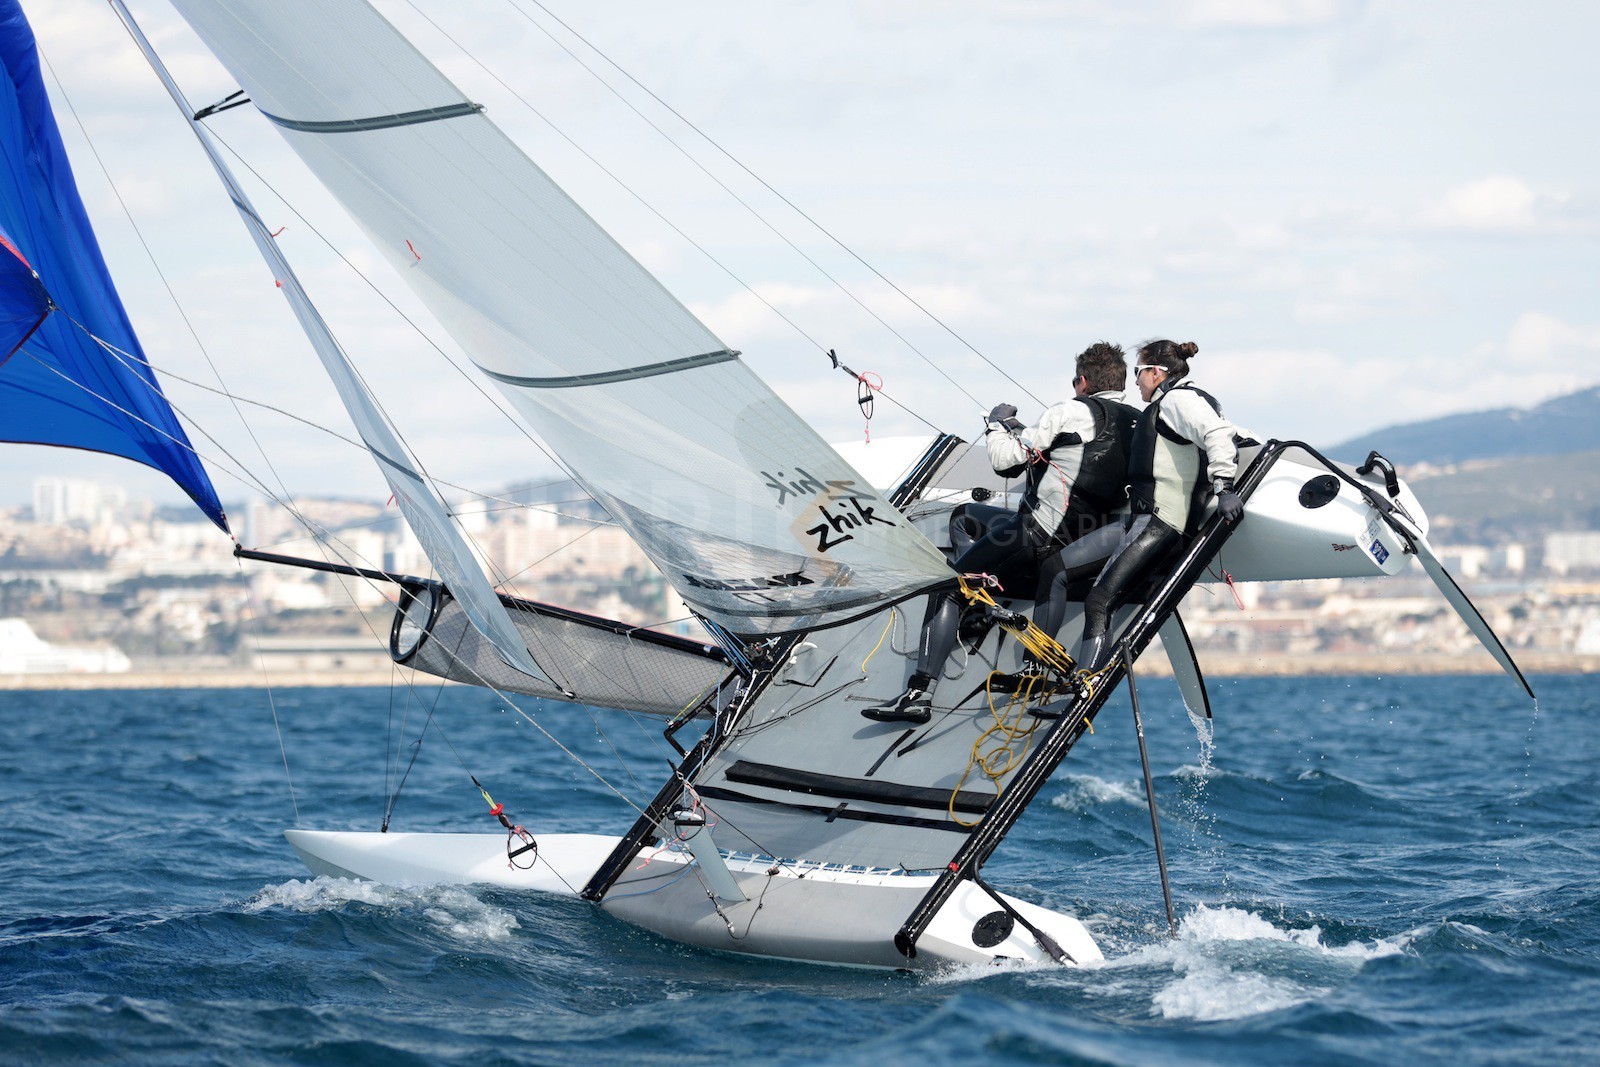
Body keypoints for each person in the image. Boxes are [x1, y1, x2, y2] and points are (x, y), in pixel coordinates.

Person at [862, 342, 1139, 724]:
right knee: (963, 517)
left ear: (1083, 381)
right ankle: (980, 606)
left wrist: (995, 424)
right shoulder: (1137, 421)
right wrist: (1022, 433)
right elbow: (1078, 457)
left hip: (1035, 535)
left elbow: (1004, 462)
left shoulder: (1069, 410)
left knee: (948, 586)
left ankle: (918, 694)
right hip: (1083, 539)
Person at [1071, 339, 1250, 674]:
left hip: (1159, 525)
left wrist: (1225, 486)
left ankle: (1086, 681)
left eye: (1139, 372)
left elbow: (1219, 434)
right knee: (1060, 571)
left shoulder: (1179, 400)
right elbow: (1238, 435)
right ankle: (1070, 670)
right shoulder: (1185, 400)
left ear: (1156, 372)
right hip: (1145, 522)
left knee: (1098, 601)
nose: (1135, 380)